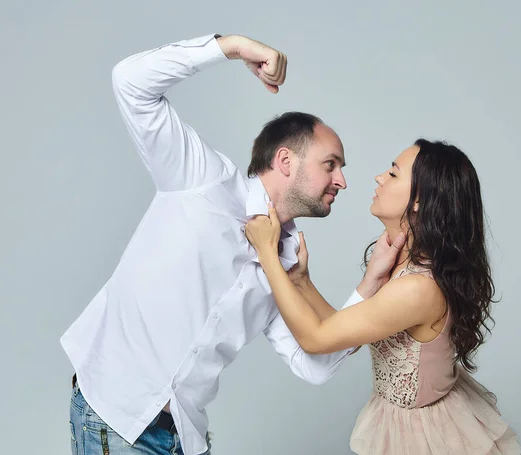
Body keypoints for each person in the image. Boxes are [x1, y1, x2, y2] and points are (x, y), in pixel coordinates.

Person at [60, 32, 404, 455]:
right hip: (113, 416)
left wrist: (368, 285)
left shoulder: (286, 263)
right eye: (330, 165)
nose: (343, 180)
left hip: (180, 438)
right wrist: (235, 47)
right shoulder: (202, 178)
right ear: (285, 161)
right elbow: (129, 81)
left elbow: (314, 364)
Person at [245, 139, 521, 454]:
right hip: (398, 417)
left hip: (425, 435)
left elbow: (316, 339)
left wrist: (268, 254)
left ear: (419, 199)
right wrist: (301, 281)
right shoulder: (404, 263)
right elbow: (346, 333)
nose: (379, 177)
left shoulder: (417, 288)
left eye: (393, 173)